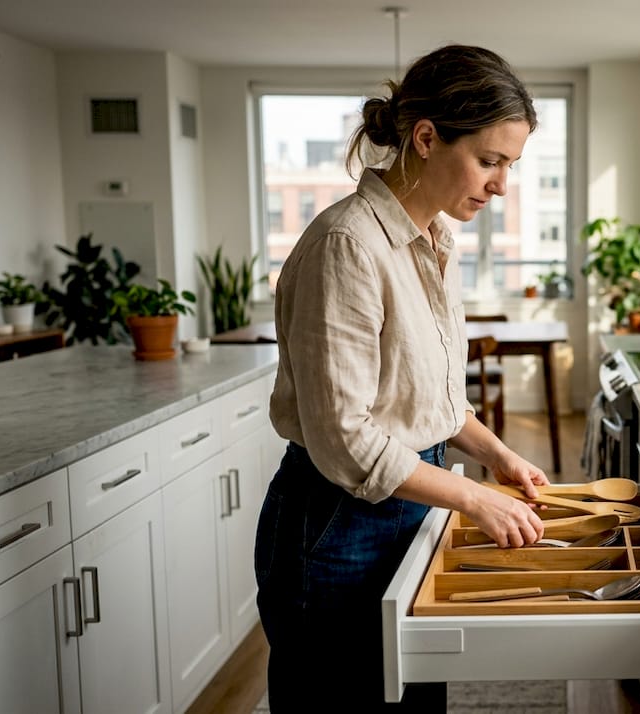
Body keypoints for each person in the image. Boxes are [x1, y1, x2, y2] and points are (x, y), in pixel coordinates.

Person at [254, 44, 548, 713]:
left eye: (510, 165)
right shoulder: (346, 246)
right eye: (490, 160)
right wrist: (472, 499)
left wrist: (498, 457)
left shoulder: (434, 242)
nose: (501, 185)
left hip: (414, 502)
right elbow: (345, 440)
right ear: (426, 138)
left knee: (413, 698)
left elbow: (431, 399)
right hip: (338, 523)